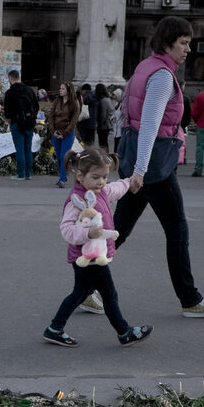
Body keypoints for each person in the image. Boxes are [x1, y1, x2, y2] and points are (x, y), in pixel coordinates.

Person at [109, 15, 204, 319]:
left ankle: (87, 290)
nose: (188, 49)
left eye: (189, 43)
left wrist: (133, 166)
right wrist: (140, 170)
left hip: (140, 162)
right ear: (167, 43)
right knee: (177, 229)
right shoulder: (162, 76)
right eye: (184, 43)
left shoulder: (143, 67)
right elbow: (150, 125)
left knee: (117, 231)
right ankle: (190, 299)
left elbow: (127, 116)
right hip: (153, 167)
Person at [43, 147, 152, 348]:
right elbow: (66, 229)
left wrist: (129, 182)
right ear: (80, 175)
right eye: (96, 177)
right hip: (88, 258)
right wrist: (87, 233)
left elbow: (115, 189)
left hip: (92, 256)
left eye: (104, 177)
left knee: (79, 293)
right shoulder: (77, 201)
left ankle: (54, 329)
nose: (101, 182)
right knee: (109, 294)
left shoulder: (100, 191)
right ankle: (124, 332)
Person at [3, 69, 38, 181]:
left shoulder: (9, 93)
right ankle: (28, 173)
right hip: (29, 123)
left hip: (16, 123)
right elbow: (36, 106)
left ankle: (21, 174)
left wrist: (9, 120)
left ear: (11, 78)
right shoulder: (29, 90)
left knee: (19, 149)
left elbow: (7, 111)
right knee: (28, 149)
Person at [49, 82, 81, 187]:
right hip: (56, 131)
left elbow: (74, 121)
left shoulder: (74, 103)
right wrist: (53, 131)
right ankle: (63, 175)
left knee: (64, 156)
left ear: (68, 90)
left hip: (67, 132)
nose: (60, 90)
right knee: (58, 156)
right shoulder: (57, 101)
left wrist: (65, 133)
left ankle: (62, 179)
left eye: (62, 89)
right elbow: (51, 116)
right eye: (60, 88)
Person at [95, 84, 115, 151]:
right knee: (105, 143)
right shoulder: (107, 99)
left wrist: (99, 125)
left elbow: (103, 115)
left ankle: (105, 158)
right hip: (107, 124)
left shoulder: (103, 101)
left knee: (102, 144)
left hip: (104, 125)